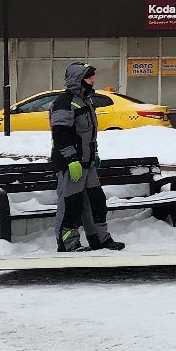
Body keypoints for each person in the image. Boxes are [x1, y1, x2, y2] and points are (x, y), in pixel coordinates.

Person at [50, 62, 125, 252]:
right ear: (78, 79)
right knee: (70, 203)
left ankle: (99, 239)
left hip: (87, 163)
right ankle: (68, 243)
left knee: (96, 201)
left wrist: (95, 153)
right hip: (70, 164)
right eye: (89, 77)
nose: (93, 80)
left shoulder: (86, 101)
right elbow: (61, 135)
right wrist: (71, 160)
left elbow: (89, 133)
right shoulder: (64, 102)